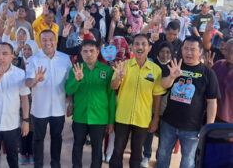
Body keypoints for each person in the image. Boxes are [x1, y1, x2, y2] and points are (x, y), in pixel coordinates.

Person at [156, 36, 220, 168]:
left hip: (192, 128)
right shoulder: (175, 65)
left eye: (193, 49)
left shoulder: (208, 73)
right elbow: (163, 85)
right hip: (169, 123)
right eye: (186, 48)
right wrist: (171, 76)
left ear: (200, 51)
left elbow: (212, 102)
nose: (188, 52)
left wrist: (208, 127)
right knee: (162, 155)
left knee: (188, 161)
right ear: (181, 49)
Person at [109, 34, 166, 168]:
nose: (140, 47)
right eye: (137, 44)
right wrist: (118, 78)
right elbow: (113, 86)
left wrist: (156, 118)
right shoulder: (123, 65)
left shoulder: (155, 70)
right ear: (132, 48)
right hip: (122, 116)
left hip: (142, 118)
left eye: (143, 44)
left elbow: (157, 96)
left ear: (149, 48)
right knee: (117, 151)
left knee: (136, 154)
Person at [65, 40, 115, 168]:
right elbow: (68, 90)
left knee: (97, 149)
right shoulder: (76, 69)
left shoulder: (107, 70)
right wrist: (77, 80)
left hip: (99, 117)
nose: (88, 54)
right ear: (81, 53)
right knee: (77, 146)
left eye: (92, 51)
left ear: (98, 52)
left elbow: (111, 97)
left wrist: (111, 121)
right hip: (80, 116)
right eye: (85, 51)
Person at [25, 30, 72, 168]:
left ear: (56, 41)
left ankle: (55, 164)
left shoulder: (65, 59)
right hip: (39, 108)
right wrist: (35, 80)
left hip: (58, 107)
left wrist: (70, 101)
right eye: (44, 40)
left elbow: (70, 82)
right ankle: (38, 164)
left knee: (57, 138)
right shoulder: (32, 60)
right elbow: (27, 82)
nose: (48, 42)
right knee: (38, 138)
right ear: (40, 42)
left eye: (51, 39)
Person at [141, 41, 174, 167]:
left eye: (168, 52)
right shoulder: (151, 64)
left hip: (166, 108)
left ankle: (160, 158)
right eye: (162, 52)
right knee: (149, 132)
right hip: (151, 105)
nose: (165, 55)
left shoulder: (173, 67)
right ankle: (147, 156)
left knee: (164, 136)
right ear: (158, 52)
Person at [211, 39, 233, 123]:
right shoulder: (219, 64)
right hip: (213, 115)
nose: (225, 53)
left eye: (230, 51)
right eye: (225, 50)